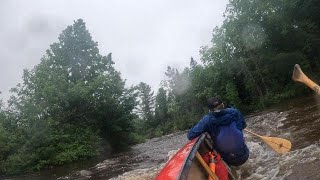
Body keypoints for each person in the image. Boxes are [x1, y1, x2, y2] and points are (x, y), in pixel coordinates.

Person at [187, 97, 249, 166]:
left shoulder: (207, 119)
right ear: (223, 105)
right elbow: (243, 126)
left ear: (210, 110)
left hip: (228, 159)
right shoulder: (235, 112)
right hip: (245, 154)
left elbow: (190, 135)